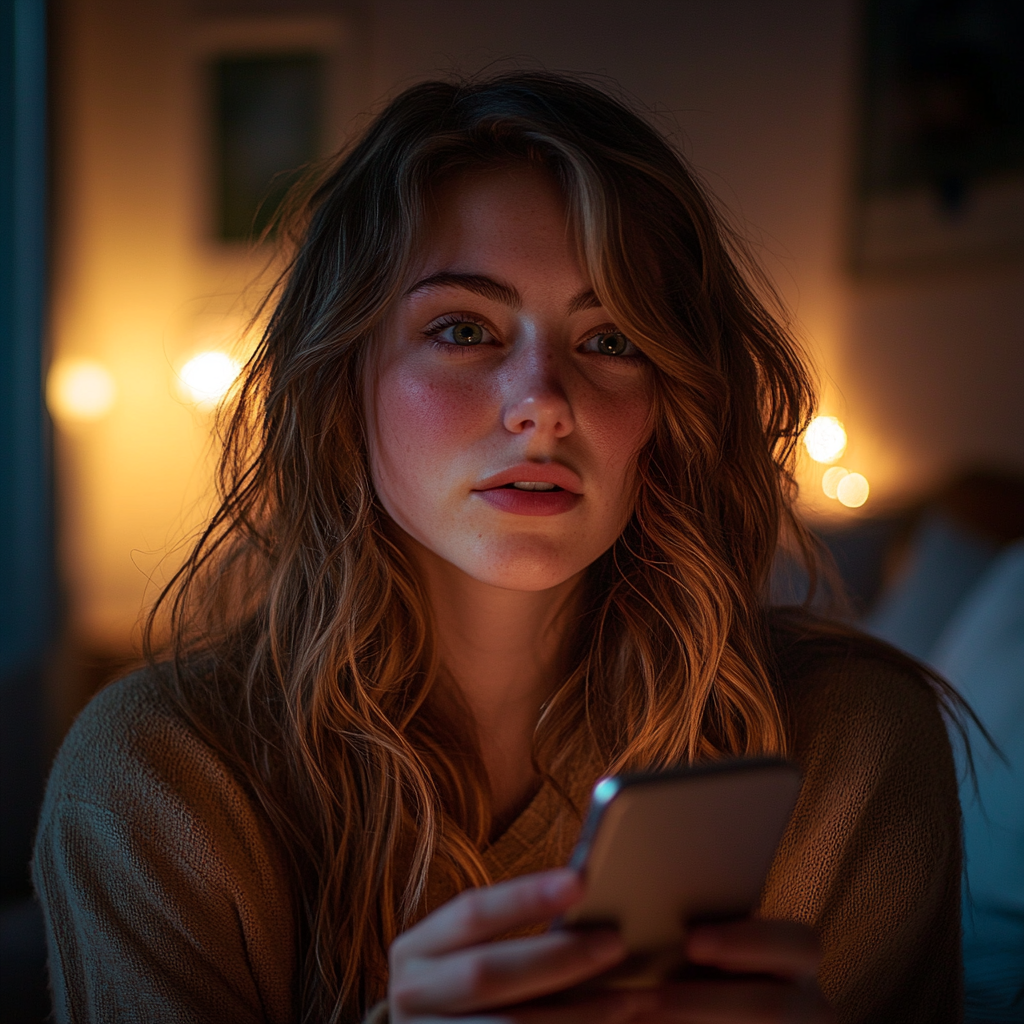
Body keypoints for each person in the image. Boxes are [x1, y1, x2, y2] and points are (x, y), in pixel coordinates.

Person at [33, 73, 964, 1024]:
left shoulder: (848, 748)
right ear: (342, 384)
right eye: (463, 329)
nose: (544, 401)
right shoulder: (159, 780)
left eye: (611, 340)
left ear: (669, 405)